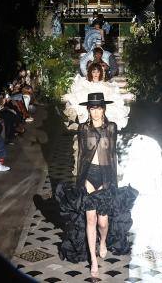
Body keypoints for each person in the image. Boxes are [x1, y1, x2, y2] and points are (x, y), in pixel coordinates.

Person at [55, 93, 138, 278]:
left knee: (103, 222)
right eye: (92, 108)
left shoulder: (112, 128)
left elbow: (112, 155)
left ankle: (103, 241)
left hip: (105, 177)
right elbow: (81, 155)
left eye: (98, 108)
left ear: (104, 109)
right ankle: (93, 259)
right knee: (91, 219)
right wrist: (79, 181)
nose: (95, 112)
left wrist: (114, 182)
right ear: (88, 110)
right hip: (88, 176)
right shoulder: (83, 128)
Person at [62, 62, 131, 130]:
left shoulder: (105, 85)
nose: (95, 74)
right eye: (93, 72)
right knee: (81, 102)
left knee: (109, 109)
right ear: (90, 73)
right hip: (89, 102)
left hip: (100, 102)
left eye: (97, 72)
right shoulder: (85, 84)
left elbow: (111, 95)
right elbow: (78, 93)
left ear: (100, 73)